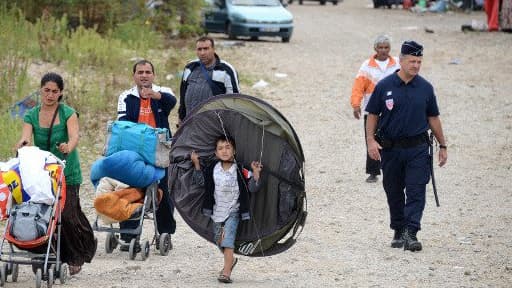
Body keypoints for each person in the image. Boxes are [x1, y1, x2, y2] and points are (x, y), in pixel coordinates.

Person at [365, 41, 448, 252]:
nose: (416, 65)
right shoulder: (384, 86)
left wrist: (443, 145)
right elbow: (372, 115)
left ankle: (411, 232)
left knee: (416, 190)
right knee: (393, 190)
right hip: (391, 149)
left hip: (418, 149)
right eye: (412, 61)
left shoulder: (426, 88)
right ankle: (398, 228)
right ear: (401, 60)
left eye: (419, 61)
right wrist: (370, 142)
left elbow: (433, 118)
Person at [15, 72, 96, 275]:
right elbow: (26, 136)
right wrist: (23, 144)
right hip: (42, 173)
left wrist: (69, 146)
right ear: (41, 90)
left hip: (67, 171)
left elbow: (74, 135)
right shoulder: (31, 114)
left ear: (60, 93)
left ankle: (77, 253)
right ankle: (47, 254)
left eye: (55, 91)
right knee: (43, 216)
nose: (50, 95)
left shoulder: (68, 112)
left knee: (68, 214)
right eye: (47, 90)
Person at [117, 59, 177, 249]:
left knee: (164, 190)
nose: (144, 75)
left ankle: (165, 232)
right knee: (131, 189)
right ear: (134, 75)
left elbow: (172, 102)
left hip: (160, 148)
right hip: (135, 149)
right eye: (140, 72)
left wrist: (155, 95)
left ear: (153, 75)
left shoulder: (163, 91)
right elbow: (122, 123)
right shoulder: (126, 96)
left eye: (148, 72)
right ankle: (128, 234)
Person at [190, 135, 262, 284]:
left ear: (234, 151)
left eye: (228, 147)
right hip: (217, 212)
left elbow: (253, 188)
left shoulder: (241, 169)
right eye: (220, 148)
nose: (224, 151)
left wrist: (255, 173)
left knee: (228, 241)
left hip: (233, 211)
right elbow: (200, 182)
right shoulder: (212, 169)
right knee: (219, 241)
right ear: (216, 153)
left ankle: (226, 272)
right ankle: (231, 260)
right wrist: (196, 164)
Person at [350, 35, 400, 183]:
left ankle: (394, 169)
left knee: (394, 140)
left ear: (389, 49)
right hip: (372, 110)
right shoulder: (367, 66)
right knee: (371, 140)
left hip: (393, 110)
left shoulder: (397, 63)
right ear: (375, 49)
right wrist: (355, 104)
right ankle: (373, 171)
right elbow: (358, 87)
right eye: (380, 47)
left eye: (386, 47)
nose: (383, 50)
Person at [178, 36, 240, 124]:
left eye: (206, 49)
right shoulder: (190, 67)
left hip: (214, 126)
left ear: (213, 49)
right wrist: (181, 117)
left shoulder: (226, 70)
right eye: (199, 49)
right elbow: (183, 94)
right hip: (189, 122)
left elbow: (234, 101)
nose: (202, 53)